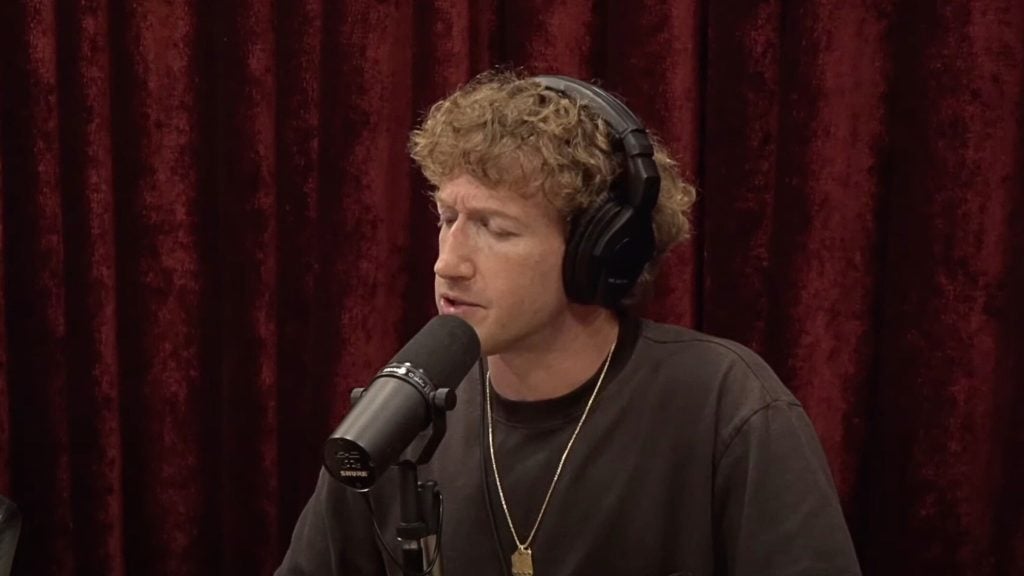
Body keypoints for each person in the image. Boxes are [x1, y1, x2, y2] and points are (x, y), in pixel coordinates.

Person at [276, 70, 861, 576]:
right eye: (447, 217)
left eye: (495, 228)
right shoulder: (398, 420)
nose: (448, 262)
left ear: (597, 252)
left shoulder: (726, 406)